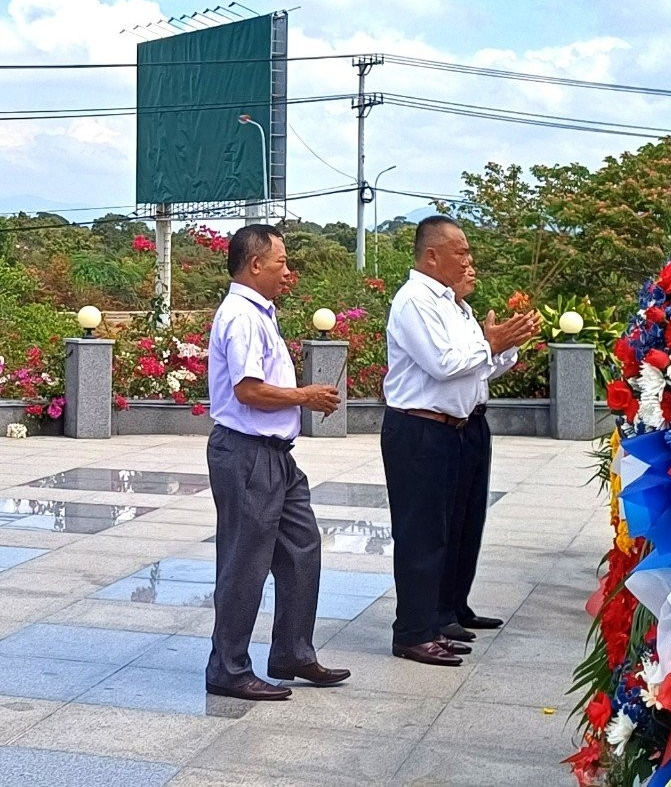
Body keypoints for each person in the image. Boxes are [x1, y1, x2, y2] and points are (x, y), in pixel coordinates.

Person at [381, 216, 540, 666]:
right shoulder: (415, 301)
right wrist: (490, 343)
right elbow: (444, 364)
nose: (469, 260)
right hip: (420, 429)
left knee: (457, 528)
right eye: (461, 252)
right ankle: (412, 631)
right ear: (432, 255)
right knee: (422, 533)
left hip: (456, 426)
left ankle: (439, 617)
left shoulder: (453, 304)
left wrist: (503, 344)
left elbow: (477, 368)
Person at [202, 224, 350, 702]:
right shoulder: (241, 317)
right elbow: (249, 391)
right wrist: (305, 395)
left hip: (276, 457)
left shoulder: (260, 314)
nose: (290, 271)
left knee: (301, 548)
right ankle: (228, 668)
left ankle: (291, 651)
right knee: (245, 562)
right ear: (255, 265)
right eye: (282, 262)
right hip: (247, 453)